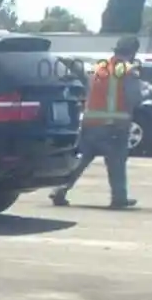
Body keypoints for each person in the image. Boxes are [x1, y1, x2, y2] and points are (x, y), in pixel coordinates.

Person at [51, 35, 142, 209]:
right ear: (132, 52)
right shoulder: (128, 72)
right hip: (114, 125)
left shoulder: (99, 68)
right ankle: (119, 197)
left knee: (81, 159)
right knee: (116, 162)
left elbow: (89, 90)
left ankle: (60, 189)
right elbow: (134, 98)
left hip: (91, 123)